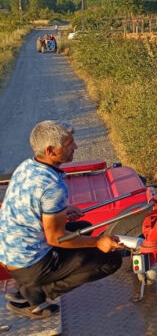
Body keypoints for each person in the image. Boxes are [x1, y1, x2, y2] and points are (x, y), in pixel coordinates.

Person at [0, 120, 124, 319]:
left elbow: (29, 206)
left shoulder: (27, 166)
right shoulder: (52, 187)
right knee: (110, 260)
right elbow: (55, 239)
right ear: (50, 150)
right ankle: (37, 294)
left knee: (84, 226)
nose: (75, 147)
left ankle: (28, 286)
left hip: (10, 255)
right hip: (29, 264)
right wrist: (98, 242)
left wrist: (62, 211)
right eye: (69, 144)